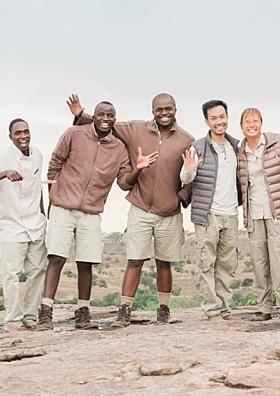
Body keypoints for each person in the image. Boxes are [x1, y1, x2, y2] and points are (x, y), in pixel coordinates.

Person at [66, 93, 194, 327]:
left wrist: (180, 198)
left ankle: (163, 311)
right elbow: (106, 123)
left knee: (164, 263)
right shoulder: (135, 129)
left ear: (175, 109)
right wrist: (80, 116)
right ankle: (124, 311)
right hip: (140, 208)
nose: (164, 113)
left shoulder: (186, 139)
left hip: (169, 211)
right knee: (134, 260)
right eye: (159, 110)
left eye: (168, 109)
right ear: (152, 111)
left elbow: (194, 175)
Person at [37, 102, 157, 331]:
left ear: (115, 119)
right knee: (56, 257)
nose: (105, 119)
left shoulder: (119, 148)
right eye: (101, 114)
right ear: (94, 116)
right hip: (63, 206)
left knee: (86, 262)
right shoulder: (74, 134)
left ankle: (83, 312)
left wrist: (138, 169)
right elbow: (55, 163)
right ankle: (46, 311)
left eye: (110, 116)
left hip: (92, 211)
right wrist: (54, 195)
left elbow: (123, 183)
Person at [0, 118, 47, 331]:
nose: (23, 136)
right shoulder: (2, 158)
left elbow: (37, 188)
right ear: (10, 137)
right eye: (18, 133)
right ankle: (13, 322)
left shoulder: (38, 155)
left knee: (37, 272)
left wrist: (43, 216)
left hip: (36, 224)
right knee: (12, 276)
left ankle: (30, 319)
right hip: (11, 226)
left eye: (26, 132)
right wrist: (3, 174)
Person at [236, 108, 280, 321]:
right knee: (259, 264)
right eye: (247, 121)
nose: (251, 124)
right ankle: (264, 308)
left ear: (261, 122)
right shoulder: (240, 151)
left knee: (279, 263)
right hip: (254, 213)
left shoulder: (278, 143)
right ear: (241, 126)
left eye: (255, 120)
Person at [180, 100, 241, 321]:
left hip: (231, 214)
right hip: (207, 215)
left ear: (227, 117)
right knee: (207, 263)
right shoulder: (197, 147)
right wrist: (189, 168)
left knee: (227, 264)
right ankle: (212, 310)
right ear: (206, 121)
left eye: (222, 116)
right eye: (213, 118)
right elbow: (185, 179)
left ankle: (225, 309)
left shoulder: (236, 146)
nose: (219, 121)